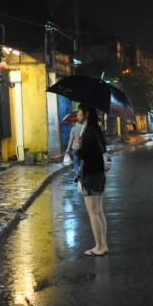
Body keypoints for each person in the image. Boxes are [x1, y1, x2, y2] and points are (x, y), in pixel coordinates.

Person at [75, 106, 111, 256]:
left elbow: (85, 155)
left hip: (90, 175)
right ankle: (103, 245)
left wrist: (78, 146)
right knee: (99, 212)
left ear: (87, 114)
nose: (77, 115)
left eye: (79, 113)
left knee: (93, 213)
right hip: (99, 175)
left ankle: (99, 247)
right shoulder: (96, 130)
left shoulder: (89, 132)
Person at [66, 114, 85, 183]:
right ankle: (81, 172)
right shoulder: (84, 127)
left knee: (76, 162)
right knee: (82, 162)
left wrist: (68, 149)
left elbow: (71, 139)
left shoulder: (73, 128)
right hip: (82, 148)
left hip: (75, 148)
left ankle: (77, 173)